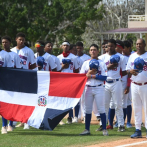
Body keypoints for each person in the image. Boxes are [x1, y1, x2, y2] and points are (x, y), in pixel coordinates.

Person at [80, 44, 108, 136]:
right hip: (88, 88)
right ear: (89, 51)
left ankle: (104, 129)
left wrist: (92, 76)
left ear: (98, 51)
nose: (93, 51)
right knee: (87, 110)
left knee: (101, 109)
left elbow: (104, 77)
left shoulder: (102, 63)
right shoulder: (85, 63)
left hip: (99, 88)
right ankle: (87, 129)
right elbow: (81, 77)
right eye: (91, 50)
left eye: (95, 50)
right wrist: (88, 73)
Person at [99, 39, 126, 132]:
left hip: (116, 82)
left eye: (111, 46)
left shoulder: (121, 57)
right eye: (107, 46)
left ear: (115, 46)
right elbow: (99, 70)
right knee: (104, 105)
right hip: (106, 83)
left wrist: (131, 71)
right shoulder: (102, 57)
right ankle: (102, 124)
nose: (109, 48)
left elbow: (123, 71)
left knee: (118, 104)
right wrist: (107, 67)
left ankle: (121, 125)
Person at [11, 32, 36, 129]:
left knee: (26, 100)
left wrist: (31, 76)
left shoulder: (28, 51)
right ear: (16, 39)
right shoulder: (11, 50)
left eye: (23, 40)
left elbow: (33, 65)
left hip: (25, 77)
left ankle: (26, 122)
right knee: (14, 99)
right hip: (13, 78)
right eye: (20, 39)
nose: (21, 41)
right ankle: (12, 121)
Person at [126, 38, 147, 138]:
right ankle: (138, 129)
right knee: (136, 108)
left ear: (144, 45)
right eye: (137, 44)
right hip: (134, 84)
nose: (138, 46)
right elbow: (127, 70)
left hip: (145, 84)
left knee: (146, 108)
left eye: (140, 44)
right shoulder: (132, 56)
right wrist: (130, 71)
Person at [57, 41, 79, 124]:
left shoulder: (74, 57)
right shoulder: (58, 57)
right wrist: (62, 67)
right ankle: (62, 118)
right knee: (61, 99)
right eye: (64, 45)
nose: (65, 47)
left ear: (69, 47)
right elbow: (56, 71)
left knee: (72, 98)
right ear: (61, 47)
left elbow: (76, 70)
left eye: (67, 45)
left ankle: (73, 116)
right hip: (61, 80)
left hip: (71, 80)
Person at [0, 47, 13, 134]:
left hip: (4, 83)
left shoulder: (5, 54)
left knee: (5, 104)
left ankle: (6, 125)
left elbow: (11, 70)